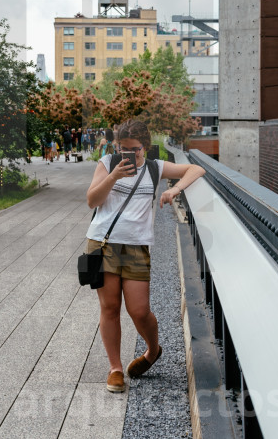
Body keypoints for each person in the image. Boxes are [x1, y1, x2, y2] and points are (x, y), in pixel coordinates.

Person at [84, 119, 205, 393]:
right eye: (124, 149)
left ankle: (152, 351)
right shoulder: (106, 164)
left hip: (137, 247)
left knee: (139, 311)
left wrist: (174, 188)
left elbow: (196, 168)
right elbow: (92, 200)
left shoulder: (155, 168)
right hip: (102, 243)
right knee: (110, 308)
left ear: (146, 146)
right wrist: (114, 175)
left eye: (136, 150)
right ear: (117, 146)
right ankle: (115, 369)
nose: (130, 155)